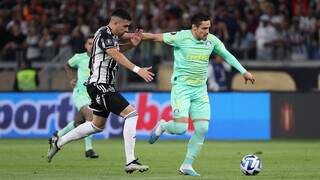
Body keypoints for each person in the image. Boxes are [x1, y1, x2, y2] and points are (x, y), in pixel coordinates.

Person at [141, 13, 255, 176]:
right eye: (204, 28)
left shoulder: (212, 41)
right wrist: (134, 35)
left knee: (202, 128)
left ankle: (187, 165)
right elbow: (155, 37)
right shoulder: (181, 37)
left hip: (200, 91)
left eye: (209, 28)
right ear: (194, 28)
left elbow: (227, 55)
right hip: (182, 88)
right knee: (180, 128)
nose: (207, 31)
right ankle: (164, 126)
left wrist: (244, 72)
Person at [47, 9, 154, 174]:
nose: (126, 30)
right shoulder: (104, 34)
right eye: (125, 26)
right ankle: (130, 161)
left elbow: (115, 50)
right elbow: (113, 53)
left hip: (101, 85)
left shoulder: (111, 36)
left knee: (96, 126)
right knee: (132, 114)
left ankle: (58, 143)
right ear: (115, 22)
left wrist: (132, 43)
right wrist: (137, 69)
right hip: (100, 85)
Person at [50, 35, 99, 159]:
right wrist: (72, 78)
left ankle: (57, 135)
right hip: (80, 93)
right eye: (89, 43)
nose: (91, 46)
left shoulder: (100, 59)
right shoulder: (79, 57)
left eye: (93, 44)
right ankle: (89, 150)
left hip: (93, 95)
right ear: (85, 45)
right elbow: (67, 65)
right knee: (91, 118)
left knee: (79, 123)